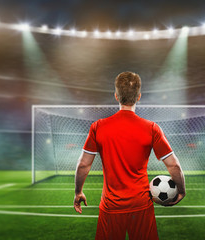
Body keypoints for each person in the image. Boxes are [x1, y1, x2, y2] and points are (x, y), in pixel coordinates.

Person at [74, 71, 186, 240]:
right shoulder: (151, 128)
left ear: (116, 96)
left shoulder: (98, 127)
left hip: (111, 206)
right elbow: (173, 165)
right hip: (141, 205)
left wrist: (78, 192)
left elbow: (83, 165)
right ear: (139, 96)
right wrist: (182, 190)